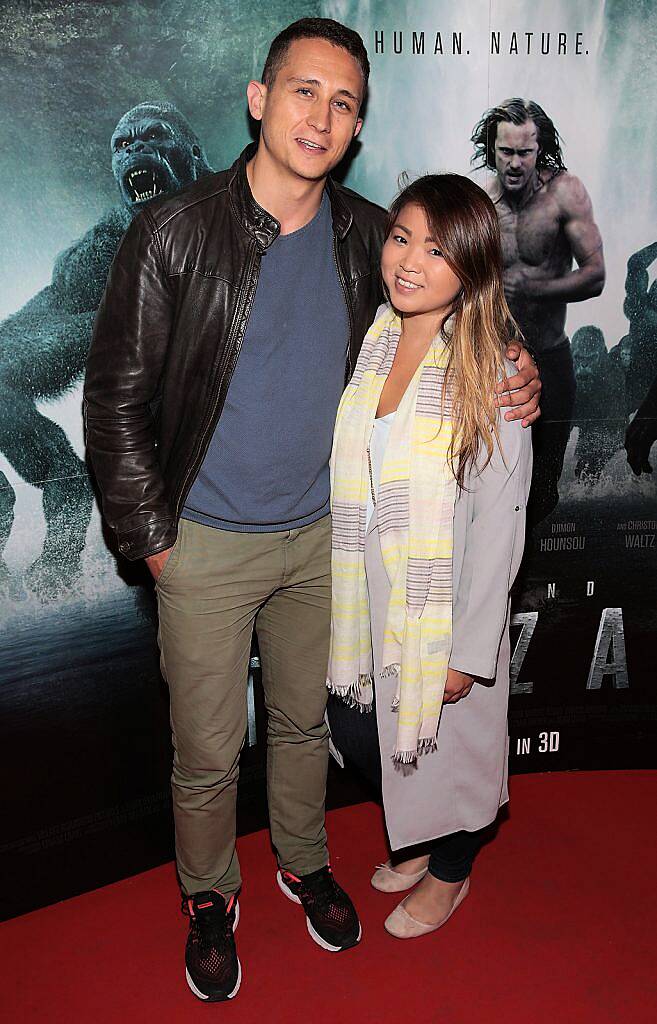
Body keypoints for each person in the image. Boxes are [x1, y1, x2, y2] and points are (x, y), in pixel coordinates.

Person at [84, 19, 540, 1002]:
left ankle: (301, 857)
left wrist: (517, 367)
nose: (320, 116)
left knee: (303, 726)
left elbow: (458, 309)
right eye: (303, 91)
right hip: (200, 544)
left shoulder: (370, 234)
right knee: (208, 747)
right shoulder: (171, 232)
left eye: (343, 102)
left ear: (358, 124)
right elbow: (113, 399)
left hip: (324, 545)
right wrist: (153, 546)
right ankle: (209, 896)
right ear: (258, 98)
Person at [327, 173, 532, 939]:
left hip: (446, 609)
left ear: (472, 267)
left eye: (438, 249)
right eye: (401, 238)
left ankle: (449, 873)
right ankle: (415, 841)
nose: (409, 262)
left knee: (452, 757)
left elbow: (500, 525)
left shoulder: (495, 370)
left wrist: (468, 650)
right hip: (373, 597)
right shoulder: (375, 339)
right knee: (373, 738)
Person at [471, 98, 605, 525]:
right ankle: (499, 589)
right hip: (491, 362)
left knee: (544, 488)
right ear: (491, 149)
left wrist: (536, 286)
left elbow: (596, 275)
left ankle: (522, 576)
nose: (514, 163)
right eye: (505, 152)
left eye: (524, 153)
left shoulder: (565, 194)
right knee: (487, 485)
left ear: (539, 149)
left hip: (549, 357)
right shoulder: (479, 201)